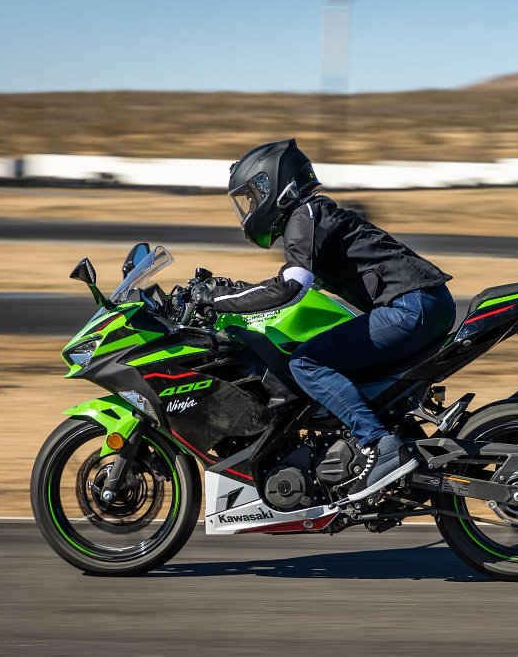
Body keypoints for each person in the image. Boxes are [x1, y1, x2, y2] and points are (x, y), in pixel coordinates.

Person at [195, 139, 456, 502]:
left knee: (307, 362)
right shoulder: (314, 217)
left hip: (412, 306)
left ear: (272, 184)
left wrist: (218, 300)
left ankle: (379, 444)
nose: (251, 208)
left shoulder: (307, 215)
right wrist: (229, 291)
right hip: (420, 303)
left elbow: (291, 286)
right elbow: (286, 283)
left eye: (252, 197)